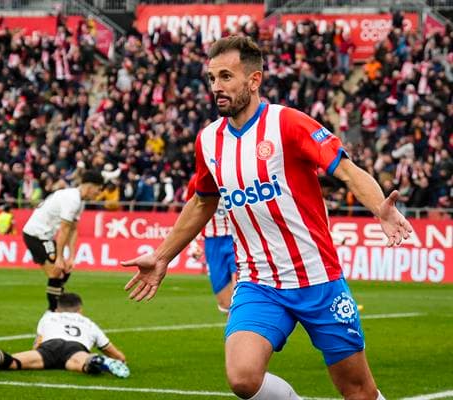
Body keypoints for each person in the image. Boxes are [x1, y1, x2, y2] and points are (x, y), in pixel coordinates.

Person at [122, 36, 412, 400]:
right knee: (243, 378)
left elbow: (348, 171)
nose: (216, 87)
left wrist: (379, 208)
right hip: (260, 281)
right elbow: (201, 202)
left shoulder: (288, 124)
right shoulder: (208, 140)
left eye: (226, 76)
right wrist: (163, 256)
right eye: (212, 78)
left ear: (254, 80)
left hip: (318, 280)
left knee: (359, 392)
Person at [0, 293, 129, 378]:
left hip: (49, 348)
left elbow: (38, 343)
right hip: (74, 349)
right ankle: (98, 361)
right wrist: (120, 360)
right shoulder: (89, 323)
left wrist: (38, 358)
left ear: (58, 308)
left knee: (12, 362)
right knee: (83, 364)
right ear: (80, 309)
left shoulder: (48, 317)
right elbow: (116, 354)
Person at [23, 170, 103, 311]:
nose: (98, 193)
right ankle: (53, 311)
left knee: (63, 271)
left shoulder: (79, 201)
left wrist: (71, 257)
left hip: (45, 236)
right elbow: (64, 229)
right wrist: (60, 257)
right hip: (35, 235)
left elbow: (73, 230)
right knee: (57, 272)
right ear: (90, 186)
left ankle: (57, 306)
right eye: (98, 189)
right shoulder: (72, 199)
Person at [186, 175, 236, 313]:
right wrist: (193, 244)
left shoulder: (237, 172)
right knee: (225, 303)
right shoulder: (196, 181)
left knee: (240, 297)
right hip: (212, 243)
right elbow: (191, 212)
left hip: (238, 239)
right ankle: (233, 334)